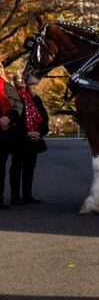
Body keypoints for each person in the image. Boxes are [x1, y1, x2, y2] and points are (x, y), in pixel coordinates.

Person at [10, 72, 48, 205]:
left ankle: (27, 195)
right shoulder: (12, 97)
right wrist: (25, 133)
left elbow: (44, 117)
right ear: (14, 82)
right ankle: (15, 197)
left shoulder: (34, 98)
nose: (23, 80)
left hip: (34, 137)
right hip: (19, 138)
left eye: (25, 78)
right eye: (20, 78)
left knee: (30, 166)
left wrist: (39, 132)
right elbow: (13, 118)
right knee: (16, 166)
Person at [0, 61, 24, 210]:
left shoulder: (7, 86)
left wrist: (9, 118)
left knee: (0, 167)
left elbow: (17, 106)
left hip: (5, 132)